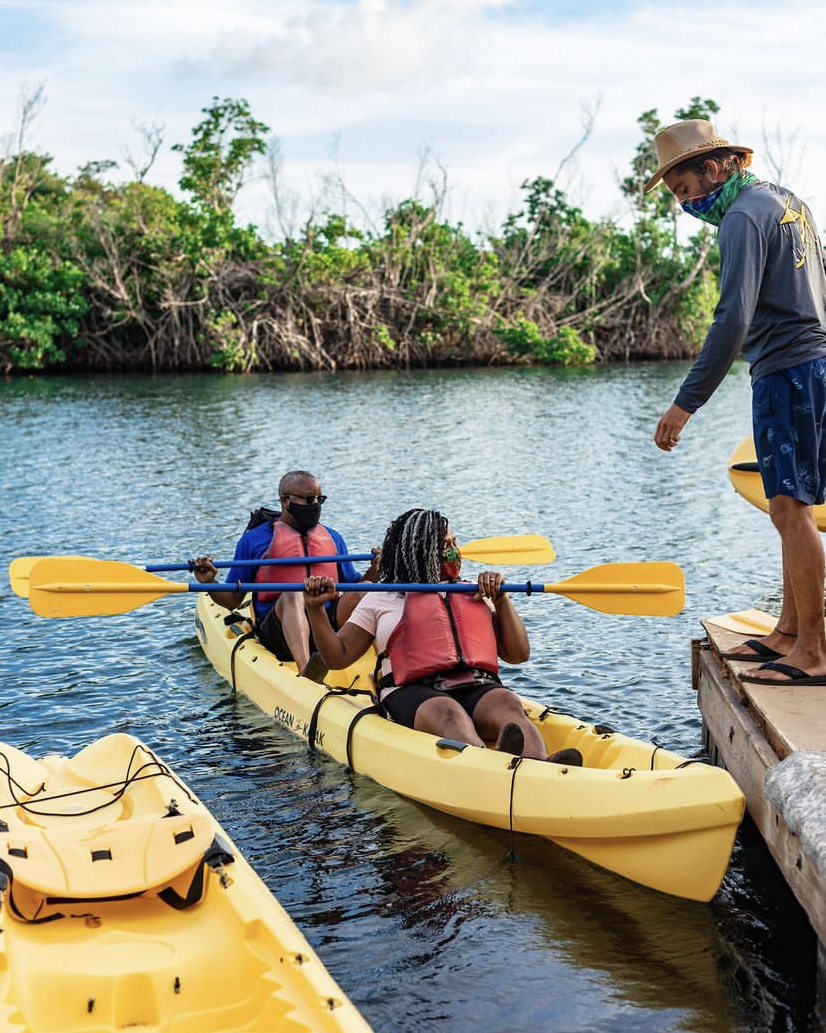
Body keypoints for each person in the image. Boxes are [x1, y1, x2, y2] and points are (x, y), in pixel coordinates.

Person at [649, 118, 826, 685]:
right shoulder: (786, 201)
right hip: (813, 362)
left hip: (787, 368)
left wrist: (686, 403)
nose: (686, 202)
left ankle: (815, 653)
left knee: (789, 509)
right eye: (677, 195)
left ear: (717, 165)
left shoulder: (742, 218)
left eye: (685, 188)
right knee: (788, 504)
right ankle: (790, 632)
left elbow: (732, 317)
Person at [303, 507, 583, 764]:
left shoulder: (473, 591)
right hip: (411, 692)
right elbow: (338, 657)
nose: (454, 553)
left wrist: (502, 601)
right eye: (445, 546)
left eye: (455, 543)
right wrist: (315, 610)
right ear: (420, 553)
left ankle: (538, 763)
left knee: (508, 704)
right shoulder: (382, 599)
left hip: (474, 685)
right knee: (449, 713)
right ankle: (489, 766)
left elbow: (518, 655)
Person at [193, 469, 377, 681]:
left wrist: (376, 568)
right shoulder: (254, 540)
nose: (315, 505)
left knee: (364, 593)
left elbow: (355, 585)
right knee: (293, 593)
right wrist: (209, 582)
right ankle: (306, 669)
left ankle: (381, 660)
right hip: (279, 631)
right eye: (309, 499)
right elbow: (233, 600)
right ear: (285, 500)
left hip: (328, 631)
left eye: (320, 499)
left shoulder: (332, 537)